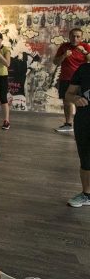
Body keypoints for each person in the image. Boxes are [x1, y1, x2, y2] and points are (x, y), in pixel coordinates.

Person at [53, 28, 90, 132]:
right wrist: (64, 55)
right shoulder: (64, 47)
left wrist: (84, 52)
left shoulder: (85, 47)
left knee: (83, 102)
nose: (75, 38)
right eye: (73, 36)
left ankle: (83, 126)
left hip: (82, 81)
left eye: (78, 36)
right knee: (67, 101)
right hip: (66, 78)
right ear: (69, 37)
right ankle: (68, 124)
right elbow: (55, 62)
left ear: (82, 38)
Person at [64, 62, 90, 207]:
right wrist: (75, 99)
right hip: (85, 120)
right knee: (86, 158)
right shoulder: (84, 69)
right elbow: (69, 94)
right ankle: (87, 194)